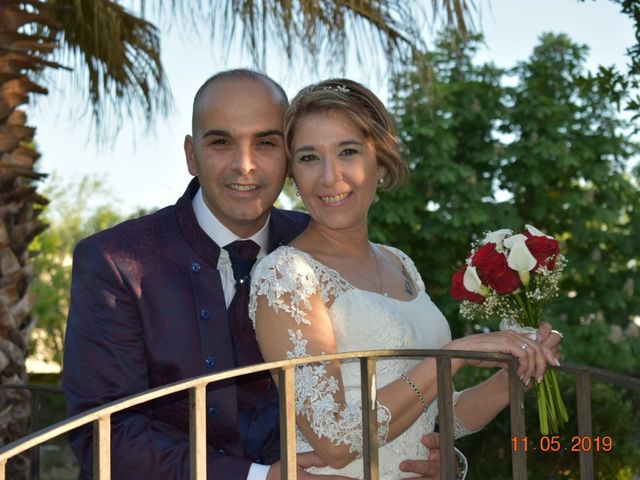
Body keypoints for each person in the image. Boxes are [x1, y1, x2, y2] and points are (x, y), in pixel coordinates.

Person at [62, 69, 444, 480]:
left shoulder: (321, 241)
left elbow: (390, 379)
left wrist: (440, 459)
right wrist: (258, 477)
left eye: (265, 143)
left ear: (289, 158)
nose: (245, 166)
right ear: (192, 155)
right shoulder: (116, 260)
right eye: (221, 142)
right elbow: (101, 433)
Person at [249, 78, 562, 479]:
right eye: (309, 158)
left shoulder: (400, 262)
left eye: (347, 151)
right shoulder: (286, 274)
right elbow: (335, 439)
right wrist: (458, 353)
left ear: (380, 162)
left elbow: (437, 413)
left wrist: (516, 374)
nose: (329, 176)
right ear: (292, 172)